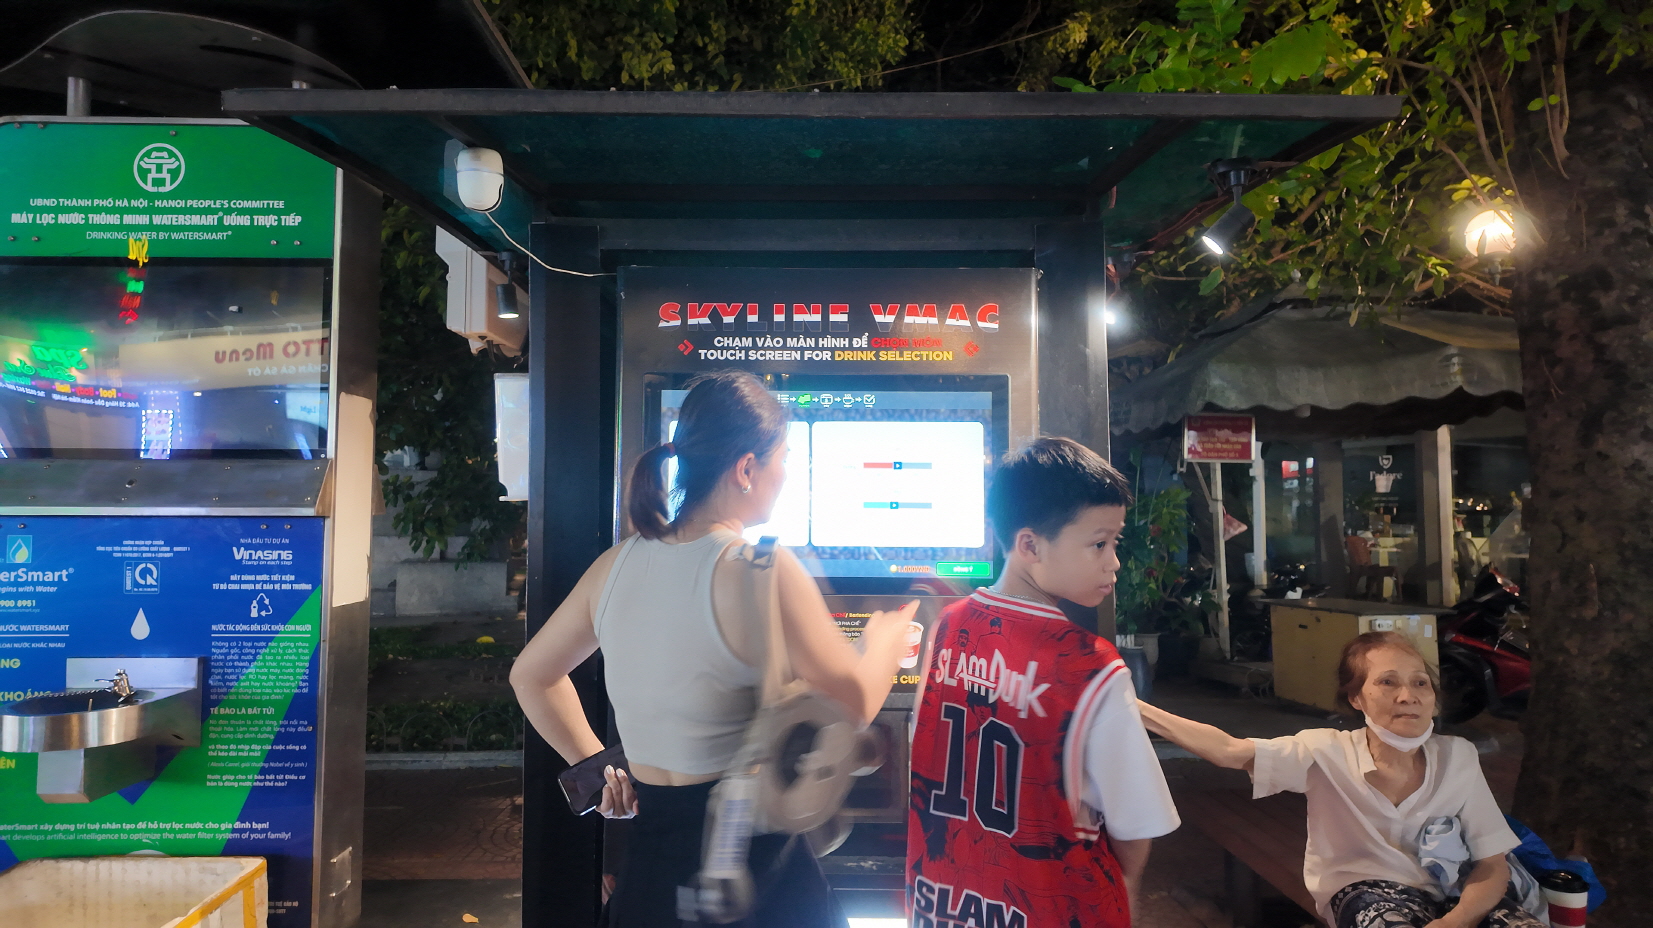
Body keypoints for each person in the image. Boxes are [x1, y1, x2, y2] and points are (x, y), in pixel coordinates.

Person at [510, 370, 916, 928]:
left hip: (649, 879)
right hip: (755, 881)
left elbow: (531, 675)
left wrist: (599, 768)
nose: (786, 474)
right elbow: (853, 707)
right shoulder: (761, 568)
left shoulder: (615, 565)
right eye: (784, 458)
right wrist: (884, 643)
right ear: (747, 469)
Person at [907, 437, 1181, 928]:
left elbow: (921, 745)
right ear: (1030, 545)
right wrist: (1126, 891)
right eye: (1099, 543)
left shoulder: (948, 628)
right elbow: (1134, 823)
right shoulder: (1091, 666)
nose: (1114, 562)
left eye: (1114, 543)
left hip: (943, 900)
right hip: (1057, 907)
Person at [1137, 631, 1543, 928]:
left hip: (1456, 894)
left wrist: (1455, 922)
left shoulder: (1458, 757)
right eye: (1387, 682)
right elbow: (1228, 751)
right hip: (1366, 891)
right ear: (1356, 698)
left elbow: (1492, 865)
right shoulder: (1325, 751)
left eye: (1420, 682)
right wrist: (1133, 706)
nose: (1408, 696)